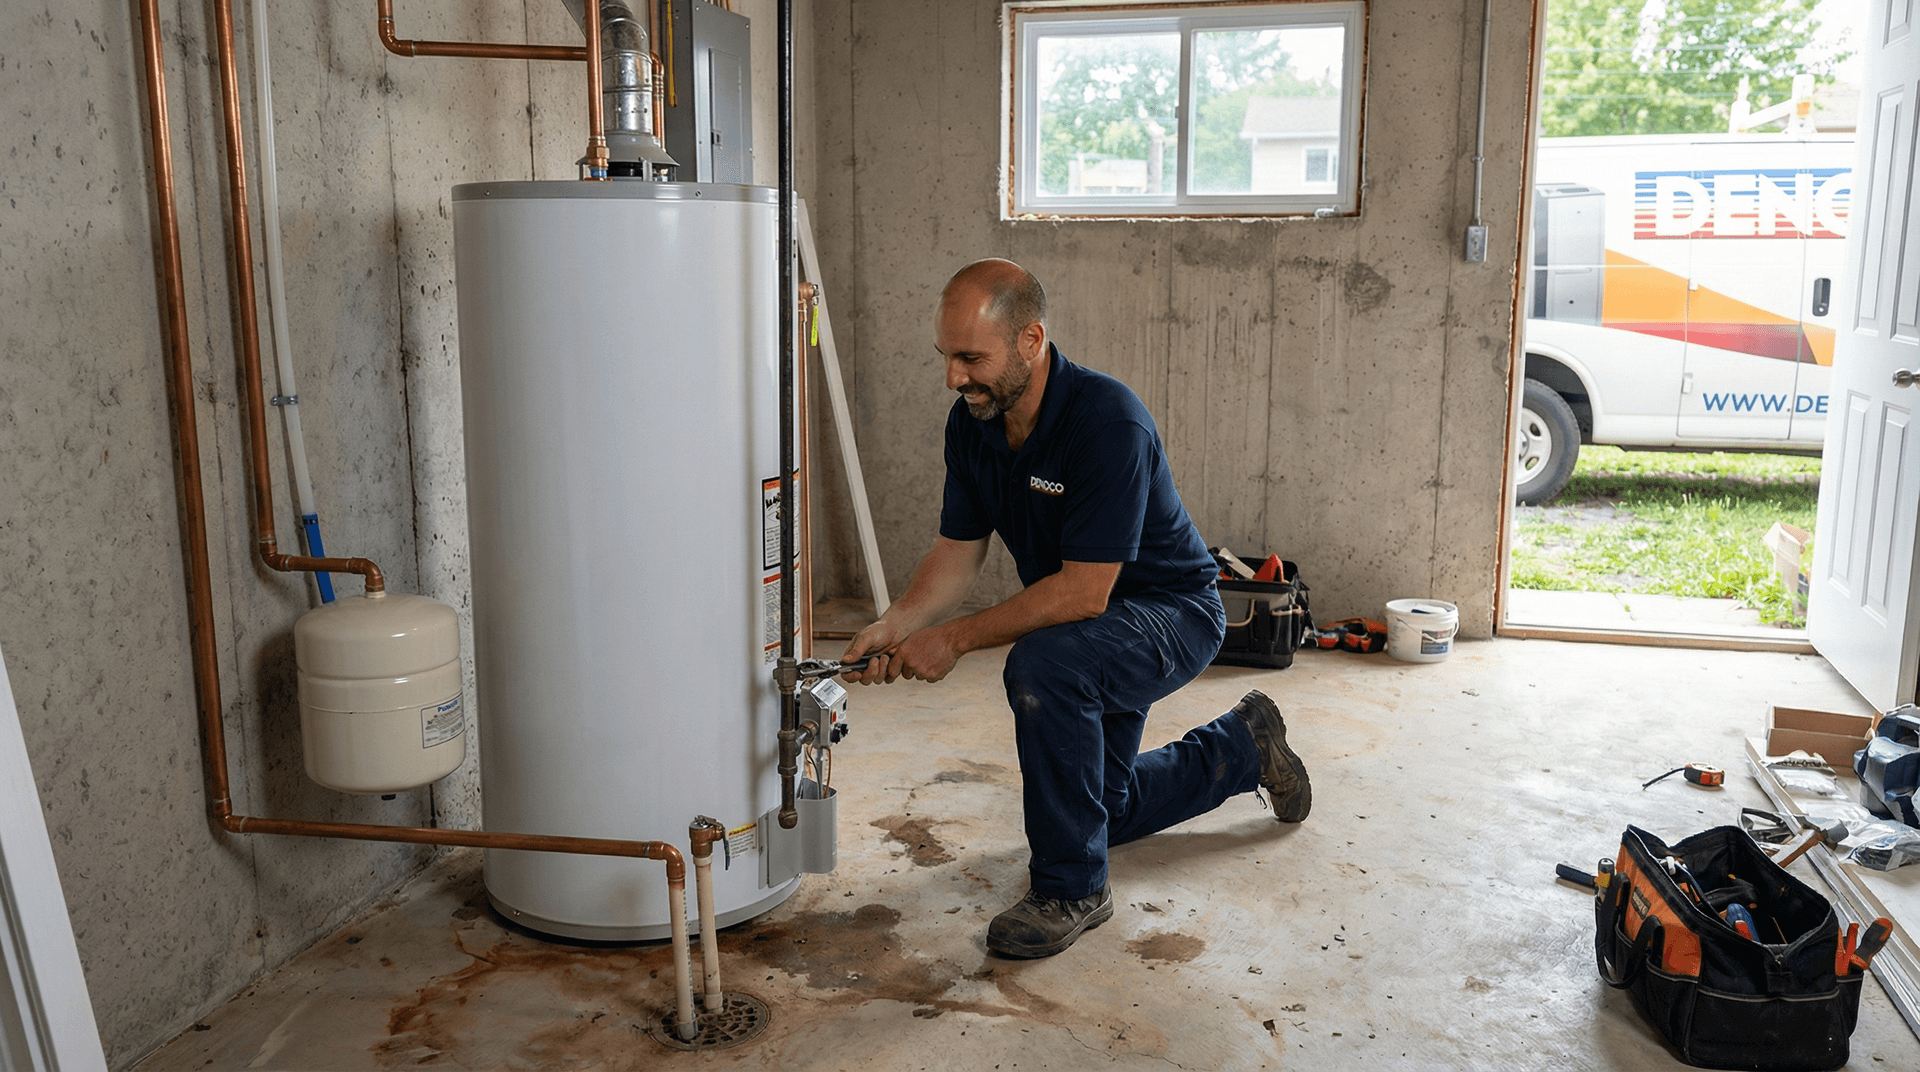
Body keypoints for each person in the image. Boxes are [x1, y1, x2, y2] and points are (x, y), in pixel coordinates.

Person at [840, 258, 1311, 959]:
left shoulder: (1106, 421)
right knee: (1100, 810)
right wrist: (900, 623)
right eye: (946, 358)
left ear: (1030, 340)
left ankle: (1072, 888)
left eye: (972, 358)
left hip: (1170, 613)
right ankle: (1244, 746)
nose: (953, 378)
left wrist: (955, 640)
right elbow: (958, 550)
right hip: (1094, 626)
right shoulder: (974, 423)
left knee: (1045, 666)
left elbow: (1084, 592)